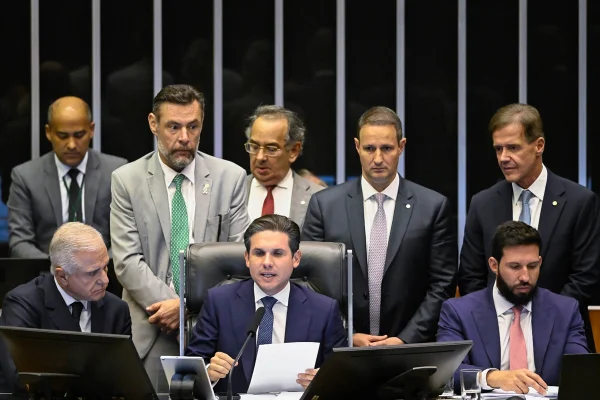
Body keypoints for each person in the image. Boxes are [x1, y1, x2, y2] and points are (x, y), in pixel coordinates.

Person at [110, 84, 250, 392]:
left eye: (193, 127)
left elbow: (239, 259)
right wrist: (172, 307)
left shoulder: (230, 177)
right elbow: (127, 261)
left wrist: (188, 306)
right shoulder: (127, 179)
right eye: (173, 127)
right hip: (151, 327)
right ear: (153, 124)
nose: (185, 137)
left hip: (216, 332)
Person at [302, 106, 457, 346]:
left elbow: (442, 284)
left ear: (401, 146)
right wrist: (346, 334)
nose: (377, 159)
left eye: (386, 148)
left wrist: (405, 340)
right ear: (357, 146)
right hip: (341, 348)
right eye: (369, 148)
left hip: (410, 349)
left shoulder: (433, 207)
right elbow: (310, 280)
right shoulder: (324, 205)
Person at [458, 103, 600, 350]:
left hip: (562, 336)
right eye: (498, 149)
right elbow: (471, 276)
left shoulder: (579, 201)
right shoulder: (482, 203)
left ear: (539, 145)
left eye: (513, 147)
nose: (503, 157)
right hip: (496, 336)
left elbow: (586, 276)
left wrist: (541, 318)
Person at [186, 214, 347, 393]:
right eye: (259, 253)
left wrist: (323, 383)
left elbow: (343, 378)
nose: (267, 263)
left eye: (278, 253)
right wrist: (209, 373)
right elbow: (190, 371)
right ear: (247, 258)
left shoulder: (324, 310)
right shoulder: (219, 301)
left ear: (296, 258)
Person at [438, 221, 588, 394]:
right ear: (494, 265)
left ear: (540, 262)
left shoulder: (565, 310)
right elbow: (447, 371)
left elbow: (581, 371)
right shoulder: (459, 312)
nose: (525, 277)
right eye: (515, 267)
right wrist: (492, 377)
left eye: (532, 266)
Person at [0, 222, 131, 393]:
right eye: (92, 273)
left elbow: (123, 379)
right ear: (62, 276)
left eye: (105, 267)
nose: (105, 280)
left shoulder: (117, 310)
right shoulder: (23, 304)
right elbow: (21, 377)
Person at [7, 96, 127, 258]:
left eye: (79, 135)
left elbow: (125, 238)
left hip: (103, 269)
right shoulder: (26, 177)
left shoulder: (116, 171)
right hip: (47, 269)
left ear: (92, 130)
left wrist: (98, 266)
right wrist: (56, 268)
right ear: (48, 132)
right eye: (63, 136)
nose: (71, 145)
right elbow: (20, 242)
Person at [244, 105, 324, 230]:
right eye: (254, 147)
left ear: (293, 151)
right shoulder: (231, 193)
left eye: (271, 149)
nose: (260, 157)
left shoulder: (318, 198)